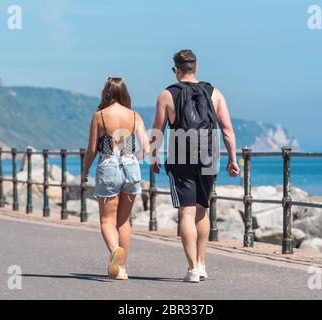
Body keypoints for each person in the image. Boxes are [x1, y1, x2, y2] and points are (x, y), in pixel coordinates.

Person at [150, 49, 240, 283]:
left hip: (180, 154)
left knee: (186, 212)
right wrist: (233, 159)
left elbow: (157, 131)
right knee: (202, 209)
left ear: (175, 70)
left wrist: (153, 157)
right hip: (208, 155)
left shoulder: (166, 95)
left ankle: (192, 269)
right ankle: (201, 264)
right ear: (196, 67)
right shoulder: (215, 93)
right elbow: (227, 130)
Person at [81, 77, 149, 280]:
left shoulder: (100, 116)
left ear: (106, 93)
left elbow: (92, 149)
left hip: (109, 165)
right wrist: (131, 159)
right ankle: (123, 269)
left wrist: (85, 171)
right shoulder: (135, 116)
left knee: (106, 220)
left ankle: (114, 252)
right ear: (124, 93)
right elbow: (146, 148)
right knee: (124, 221)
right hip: (130, 166)